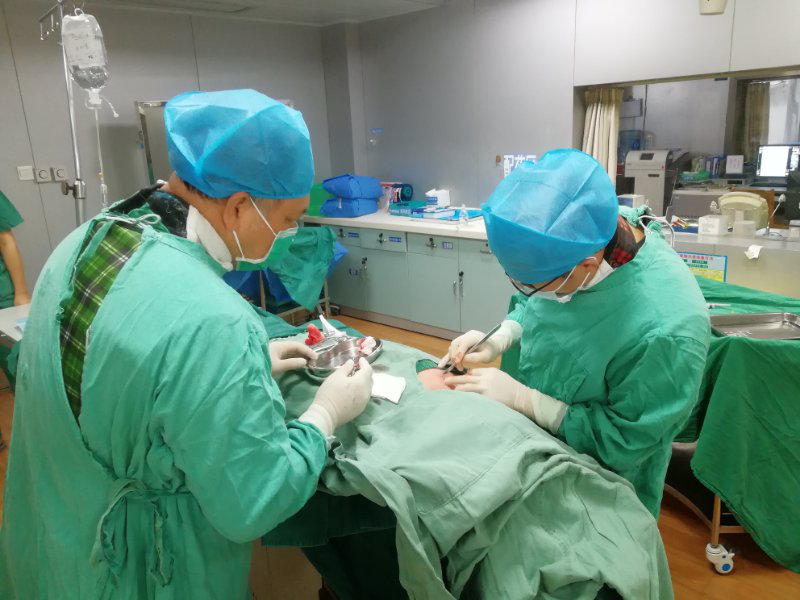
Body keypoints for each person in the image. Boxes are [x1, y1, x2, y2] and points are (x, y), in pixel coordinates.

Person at [0, 89, 373, 599]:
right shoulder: (214, 321)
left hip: (53, 532)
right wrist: (326, 413)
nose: (290, 233)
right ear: (239, 206)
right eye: (289, 219)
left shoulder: (88, 237)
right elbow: (253, 502)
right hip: (135, 568)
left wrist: (242, 366)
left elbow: (111, 372)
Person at [440, 149, 710, 516]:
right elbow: (540, 303)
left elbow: (626, 441)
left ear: (586, 265)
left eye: (532, 284)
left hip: (599, 490)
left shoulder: (667, 332)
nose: (525, 292)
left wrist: (526, 401)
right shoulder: (591, 232)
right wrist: (504, 335)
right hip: (530, 453)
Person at [0, 188, 29, 447]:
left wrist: (21, 292)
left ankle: (32, 430)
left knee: (17, 365)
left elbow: (5, 241)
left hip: (2, 296)